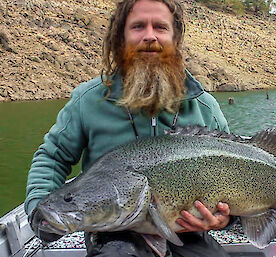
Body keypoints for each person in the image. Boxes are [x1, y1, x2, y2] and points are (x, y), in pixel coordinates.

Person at [25, 0, 234, 256]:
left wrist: (226, 218)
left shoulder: (204, 106)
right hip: (113, 233)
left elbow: (235, 177)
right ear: (120, 37)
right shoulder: (87, 101)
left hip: (188, 232)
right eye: (137, 26)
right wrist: (38, 207)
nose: (149, 36)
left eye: (160, 27)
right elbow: (52, 157)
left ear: (175, 37)